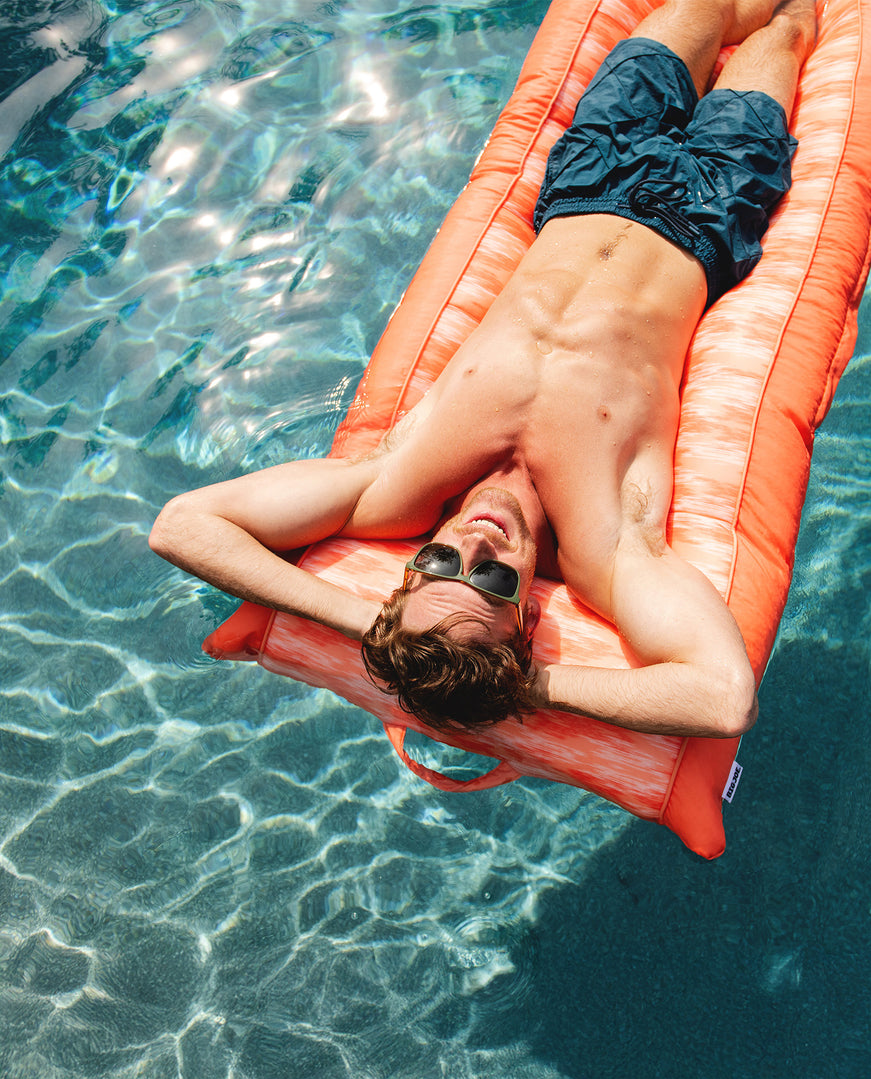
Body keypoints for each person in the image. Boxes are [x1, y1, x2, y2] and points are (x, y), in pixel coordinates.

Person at [150, 0, 817, 739]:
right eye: (493, 582)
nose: (478, 545)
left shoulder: (396, 488)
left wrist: (372, 626)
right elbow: (724, 700)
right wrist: (524, 686)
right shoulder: (606, 549)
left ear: (407, 576)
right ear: (528, 615)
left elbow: (184, 526)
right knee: (782, 32)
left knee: (705, 7)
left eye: (440, 564)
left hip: (589, 178)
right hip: (706, 212)